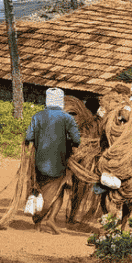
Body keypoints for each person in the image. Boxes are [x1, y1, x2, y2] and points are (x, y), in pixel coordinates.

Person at [24, 87, 80, 234]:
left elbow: (28, 137)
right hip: (59, 162)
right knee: (57, 189)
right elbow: (76, 139)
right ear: (60, 100)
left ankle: (43, 222)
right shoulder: (67, 118)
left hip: (38, 162)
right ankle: (45, 219)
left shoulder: (37, 116)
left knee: (43, 189)